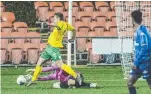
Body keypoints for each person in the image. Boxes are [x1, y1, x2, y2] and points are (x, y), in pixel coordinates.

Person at [26, 12, 82, 86]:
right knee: (39, 63)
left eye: (55, 18)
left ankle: (76, 76)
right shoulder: (66, 25)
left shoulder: (61, 23)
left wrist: (48, 24)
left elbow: (57, 25)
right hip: (48, 48)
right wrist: (73, 38)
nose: (54, 20)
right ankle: (33, 79)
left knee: (60, 65)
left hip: (54, 48)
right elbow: (74, 29)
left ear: (58, 18)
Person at [127, 10, 151, 94]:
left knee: (150, 84)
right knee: (130, 82)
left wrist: (136, 62)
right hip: (139, 63)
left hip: (146, 63)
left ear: (132, 20)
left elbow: (144, 48)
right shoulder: (141, 30)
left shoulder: (142, 32)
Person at [26, 64, 97, 89]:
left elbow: (49, 68)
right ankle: (88, 84)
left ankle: (80, 83)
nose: (53, 64)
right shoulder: (55, 75)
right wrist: (34, 78)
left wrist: (36, 69)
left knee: (73, 79)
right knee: (55, 85)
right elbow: (45, 78)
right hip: (68, 83)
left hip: (76, 77)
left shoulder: (63, 67)